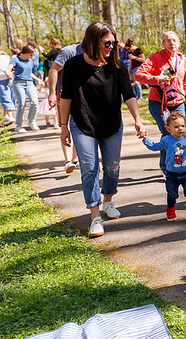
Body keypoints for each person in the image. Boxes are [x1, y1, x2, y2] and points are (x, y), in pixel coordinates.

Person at [58, 22, 147, 238]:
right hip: (82, 124)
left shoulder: (116, 66)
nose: (111, 47)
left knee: (112, 167)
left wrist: (138, 119)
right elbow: (66, 97)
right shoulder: (73, 66)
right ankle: (95, 216)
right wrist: (63, 127)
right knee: (89, 169)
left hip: (111, 125)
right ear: (92, 41)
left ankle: (108, 201)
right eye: (107, 43)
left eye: (114, 43)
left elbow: (129, 95)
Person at [135, 31, 186, 174]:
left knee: (178, 133)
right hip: (158, 101)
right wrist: (158, 79)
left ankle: (178, 164)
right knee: (167, 132)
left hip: (178, 100)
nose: (171, 43)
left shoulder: (182, 59)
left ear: (178, 43)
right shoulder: (155, 57)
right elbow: (138, 75)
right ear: (163, 44)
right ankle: (166, 167)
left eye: (174, 40)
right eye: (168, 41)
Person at [141, 111, 186, 221]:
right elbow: (155, 147)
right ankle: (170, 210)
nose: (180, 128)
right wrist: (146, 139)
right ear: (169, 129)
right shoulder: (167, 140)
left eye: (183, 126)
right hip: (171, 174)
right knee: (172, 195)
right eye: (176, 126)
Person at [47, 42, 81, 173]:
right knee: (64, 126)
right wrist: (52, 94)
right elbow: (53, 71)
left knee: (78, 127)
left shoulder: (91, 53)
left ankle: (75, 159)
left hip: (81, 96)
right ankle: (67, 160)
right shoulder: (67, 53)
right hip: (63, 93)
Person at [6, 45, 43, 132]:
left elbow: (29, 73)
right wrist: (8, 74)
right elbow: (8, 69)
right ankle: (18, 126)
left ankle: (31, 121)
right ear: (25, 53)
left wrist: (38, 79)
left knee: (35, 102)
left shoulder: (30, 61)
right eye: (31, 55)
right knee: (22, 104)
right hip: (18, 83)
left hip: (29, 83)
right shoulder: (16, 59)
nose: (32, 57)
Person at [0, 45, 15, 125]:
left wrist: (11, 74)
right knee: (5, 97)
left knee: (10, 97)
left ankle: (7, 116)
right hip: (1, 79)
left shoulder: (6, 57)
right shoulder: (7, 57)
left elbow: (12, 67)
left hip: (9, 79)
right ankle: (9, 116)